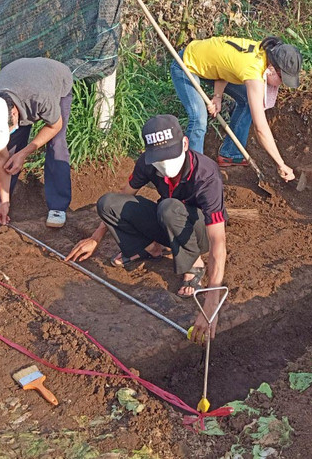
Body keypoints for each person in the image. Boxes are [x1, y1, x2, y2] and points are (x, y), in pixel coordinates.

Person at [65, 114, 227, 342]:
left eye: (170, 156)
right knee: (108, 203)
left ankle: (193, 263)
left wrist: (211, 304)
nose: (165, 165)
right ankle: (151, 247)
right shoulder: (148, 163)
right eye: (159, 159)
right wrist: (95, 237)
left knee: (168, 207)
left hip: (199, 233)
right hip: (169, 221)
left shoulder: (206, 174)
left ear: (185, 144)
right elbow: (123, 195)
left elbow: (218, 242)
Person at [171, 35, 301, 182]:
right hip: (185, 64)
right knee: (199, 119)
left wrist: (218, 96)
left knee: (247, 101)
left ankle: (230, 154)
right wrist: (281, 163)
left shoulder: (262, 54)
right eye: (282, 79)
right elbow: (260, 128)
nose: (281, 84)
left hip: (208, 63)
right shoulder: (253, 70)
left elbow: (225, 66)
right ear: (271, 69)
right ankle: (193, 172)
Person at [0, 57, 73, 228]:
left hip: (54, 79)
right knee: (10, 147)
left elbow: (55, 126)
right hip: (19, 82)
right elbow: (0, 155)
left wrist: (23, 154)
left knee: (57, 144)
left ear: (15, 114)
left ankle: (57, 207)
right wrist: (5, 201)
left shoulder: (41, 97)